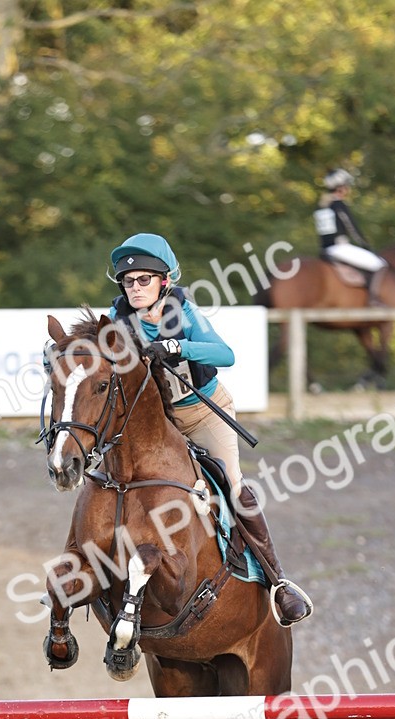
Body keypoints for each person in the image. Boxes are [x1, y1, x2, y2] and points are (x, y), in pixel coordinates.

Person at [108, 232, 311, 626]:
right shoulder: (119, 318)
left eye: (143, 280)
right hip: (159, 425)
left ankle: (278, 583)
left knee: (233, 485)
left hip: (204, 414)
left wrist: (178, 347)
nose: (134, 287)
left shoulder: (182, 313)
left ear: (164, 282)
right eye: (128, 282)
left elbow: (226, 354)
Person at [314, 169, 387, 305]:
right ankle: (373, 299)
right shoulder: (338, 204)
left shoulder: (321, 206)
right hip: (340, 248)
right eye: (346, 186)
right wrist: (366, 246)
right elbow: (352, 229)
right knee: (380, 264)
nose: (348, 189)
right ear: (340, 188)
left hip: (324, 250)